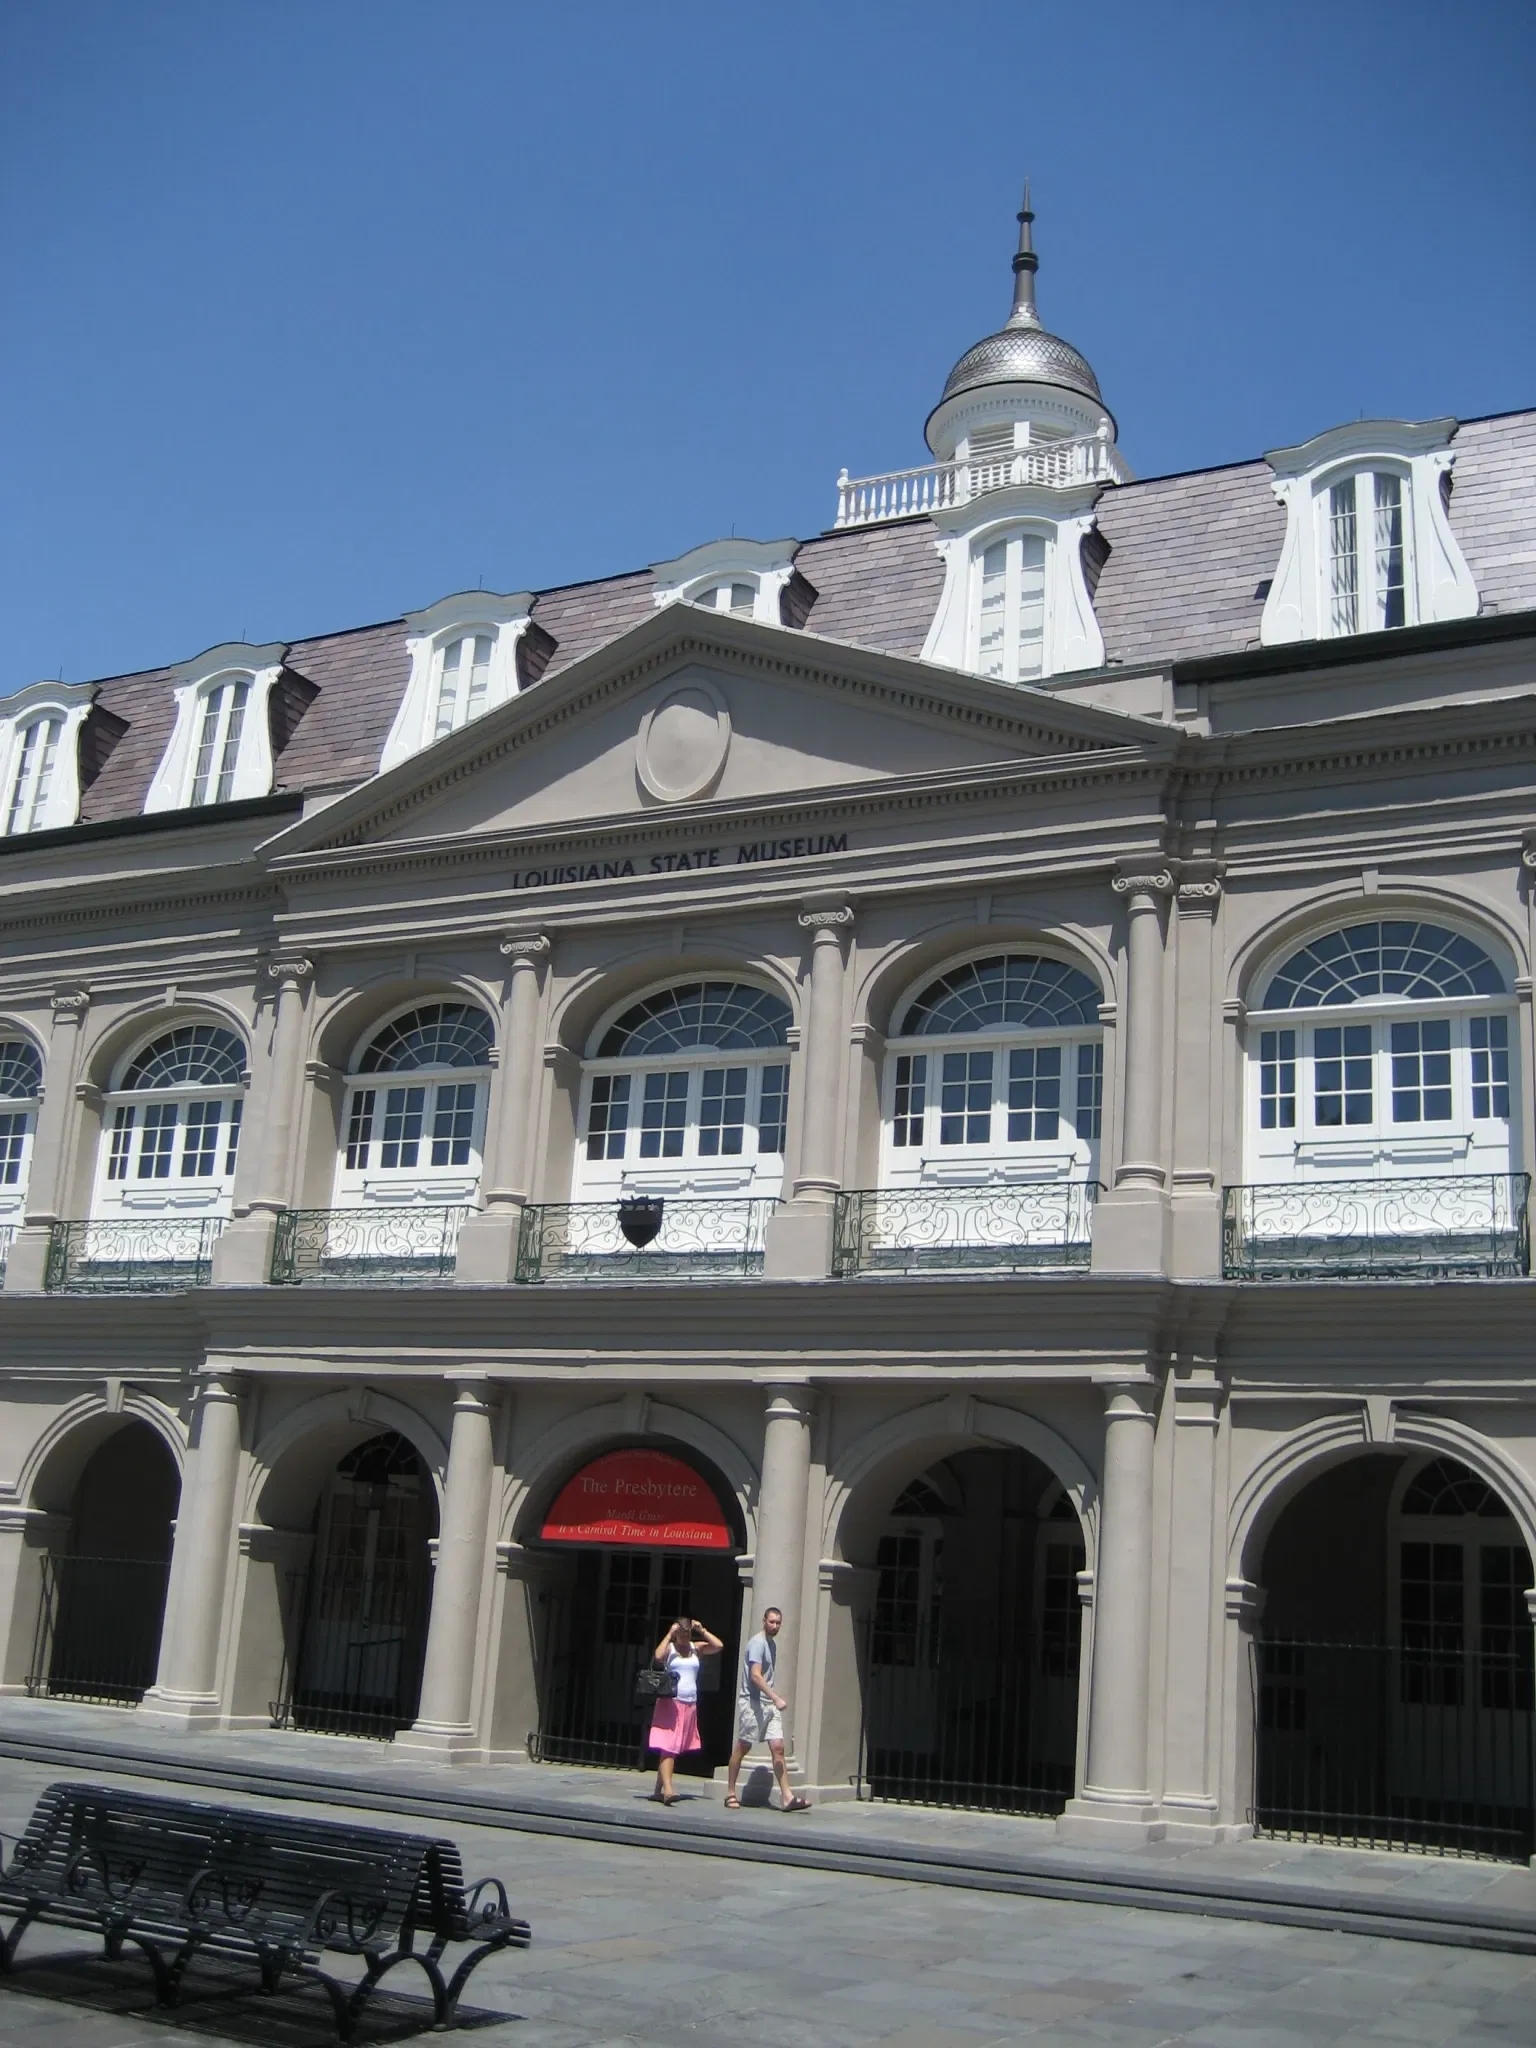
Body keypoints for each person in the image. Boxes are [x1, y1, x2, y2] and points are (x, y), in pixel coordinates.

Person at [725, 1605, 811, 1812]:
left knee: (778, 1748)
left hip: (768, 1705)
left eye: (778, 1622)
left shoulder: (771, 1644)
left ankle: (787, 1797)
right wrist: (775, 1697)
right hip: (752, 1704)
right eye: (771, 1622)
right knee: (743, 1747)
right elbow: (755, 1675)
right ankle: (730, 1793)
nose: (775, 1626)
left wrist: (772, 1700)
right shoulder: (757, 1644)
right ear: (764, 1621)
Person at [646, 1616, 722, 1805]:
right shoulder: (670, 1649)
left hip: (689, 1703)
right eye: (681, 1632)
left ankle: (658, 1789)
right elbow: (657, 1656)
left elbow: (718, 1646)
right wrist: (669, 1634)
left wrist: (701, 1629)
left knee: (672, 1746)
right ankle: (669, 1790)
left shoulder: (696, 1648)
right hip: (671, 1702)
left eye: (687, 1632)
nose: (684, 1636)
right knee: (669, 1746)